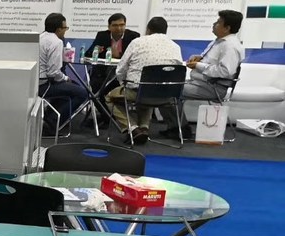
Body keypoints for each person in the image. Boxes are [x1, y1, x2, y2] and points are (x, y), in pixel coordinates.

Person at [162, 9, 245, 140]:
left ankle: (180, 129)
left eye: (218, 22)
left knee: (168, 90)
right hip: (201, 83)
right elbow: (213, 61)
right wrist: (199, 58)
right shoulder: (219, 42)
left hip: (213, 87)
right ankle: (178, 127)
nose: (214, 24)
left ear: (227, 28)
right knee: (166, 86)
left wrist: (198, 66)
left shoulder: (230, 46)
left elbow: (225, 71)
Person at [107, 17, 183, 145]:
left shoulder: (137, 43)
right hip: (167, 96)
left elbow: (121, 69)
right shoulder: (175, 47)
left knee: (110, 98)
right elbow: (178, 70)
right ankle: (144, 128)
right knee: (149, 89)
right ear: (166, 30)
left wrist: (123, 83)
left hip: (139, 92)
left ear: (148, 30)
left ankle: (133, 128)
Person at [38, 13, 86, 135]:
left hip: (35, 83)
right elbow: (53, 73)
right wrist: (66, 78)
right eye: (65, 28)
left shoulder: (40, 37)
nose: (65, 31)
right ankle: (52, 123)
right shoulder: (56, 42)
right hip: (44, 85)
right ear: (58, 29)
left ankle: (50, 116)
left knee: (70, 87)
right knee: (81, 93)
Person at [89, 12, 139, 93]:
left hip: (124, 73)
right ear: (109, 27)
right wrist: (95, 50)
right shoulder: (102, 35)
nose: (119, 28)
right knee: (97, 84)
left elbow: (136, 57)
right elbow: (88, 54)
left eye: (122, 25)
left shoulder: (133, 36)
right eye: (115, 25)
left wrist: (119, 55)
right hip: (103, 73)